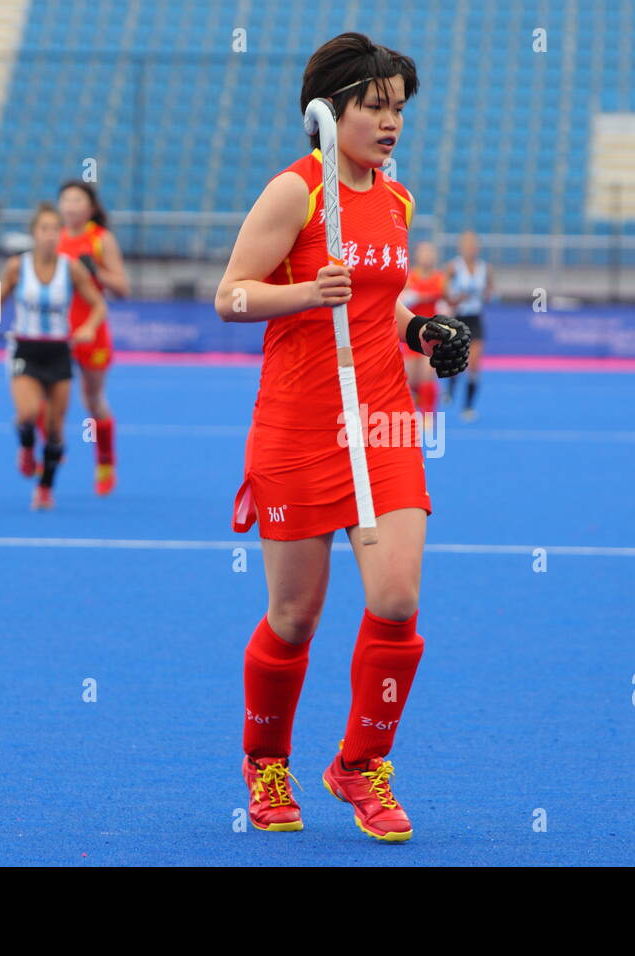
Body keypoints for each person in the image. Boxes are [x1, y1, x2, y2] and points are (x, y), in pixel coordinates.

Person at [213, 32, 469, 841]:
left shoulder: (395, 200)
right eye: (375, 105)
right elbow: (231, 298)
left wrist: (423, 330)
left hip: (385, 419)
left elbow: (376, 304)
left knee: (397, 599)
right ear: (329, 110)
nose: (391, 122)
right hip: (298, 424)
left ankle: (360, 766)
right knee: (294, 616)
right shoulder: (296, 192)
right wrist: (300, 295)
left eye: (399, 108)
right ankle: (266, 764)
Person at [0, 203, 106, 509]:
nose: (51, 235)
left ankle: (45, 488)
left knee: (55, 429)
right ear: (34, 234)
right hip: (25, 349)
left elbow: (98, 305)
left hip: (58, 352)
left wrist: (89, 328)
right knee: (27, 414)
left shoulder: (72, 268)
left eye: (56, 229)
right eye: (44, 229)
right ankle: (27, 447)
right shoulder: (17, 267)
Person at [56, 180, 130, 496]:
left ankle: (105, 462)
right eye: (66, 200)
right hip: (57, 332)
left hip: (92, 331)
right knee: (51, 400)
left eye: (78, 200)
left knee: (93, 400)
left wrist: (96, 273)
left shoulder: (101, 240)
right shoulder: (52, 239)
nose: (71, 206)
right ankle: (50, 454)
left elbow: (123, 289)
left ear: (90, 207)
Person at [444, 230, 492, 421]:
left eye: (473, 245)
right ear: (460, 247)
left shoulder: (485, 268)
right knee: (458, 361)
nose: (470, 248)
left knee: (474, 363)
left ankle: (468, 406)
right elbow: (445, 294)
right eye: (467, 244)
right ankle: (450, 389)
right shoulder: (453, 267)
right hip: (458, 317)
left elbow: (490, 292)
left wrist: (485, 295)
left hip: (475, 318)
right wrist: (456, 299)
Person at [398, 240, 449, 414]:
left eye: (430, 253)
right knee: (411, 378)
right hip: (411, 333)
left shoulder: (440, 278)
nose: (427, 256)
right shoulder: (410, 277)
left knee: (427, 374)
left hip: (432, 334)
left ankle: (428, 413)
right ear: (417, 255)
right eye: (423, 252)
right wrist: (419, 296)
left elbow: (445, 301)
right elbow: (401, 301)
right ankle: (414, 409)